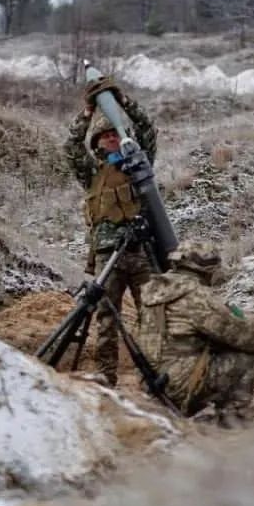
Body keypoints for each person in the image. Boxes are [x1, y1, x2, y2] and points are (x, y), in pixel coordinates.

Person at [63, 74, 158, 387]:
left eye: (114, 135)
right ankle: (107, 374)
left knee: (153, 315)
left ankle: (155, 372)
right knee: (106, 318)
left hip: (140, 253)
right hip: (107, 256)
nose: (111, 140)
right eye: (104, 137)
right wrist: (88, 112)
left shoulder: (137, 163)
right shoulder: (92, 173)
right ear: (97, 143)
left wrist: (123, 102)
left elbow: (148, 131)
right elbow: (70, 147)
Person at [136, 240, 254, 424]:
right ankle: (231, 416)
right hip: (180, 388)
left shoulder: (155, 291)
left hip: (152, 385)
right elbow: (244, 334)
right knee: (248, 357)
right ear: (206, 270)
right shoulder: (196, 297)